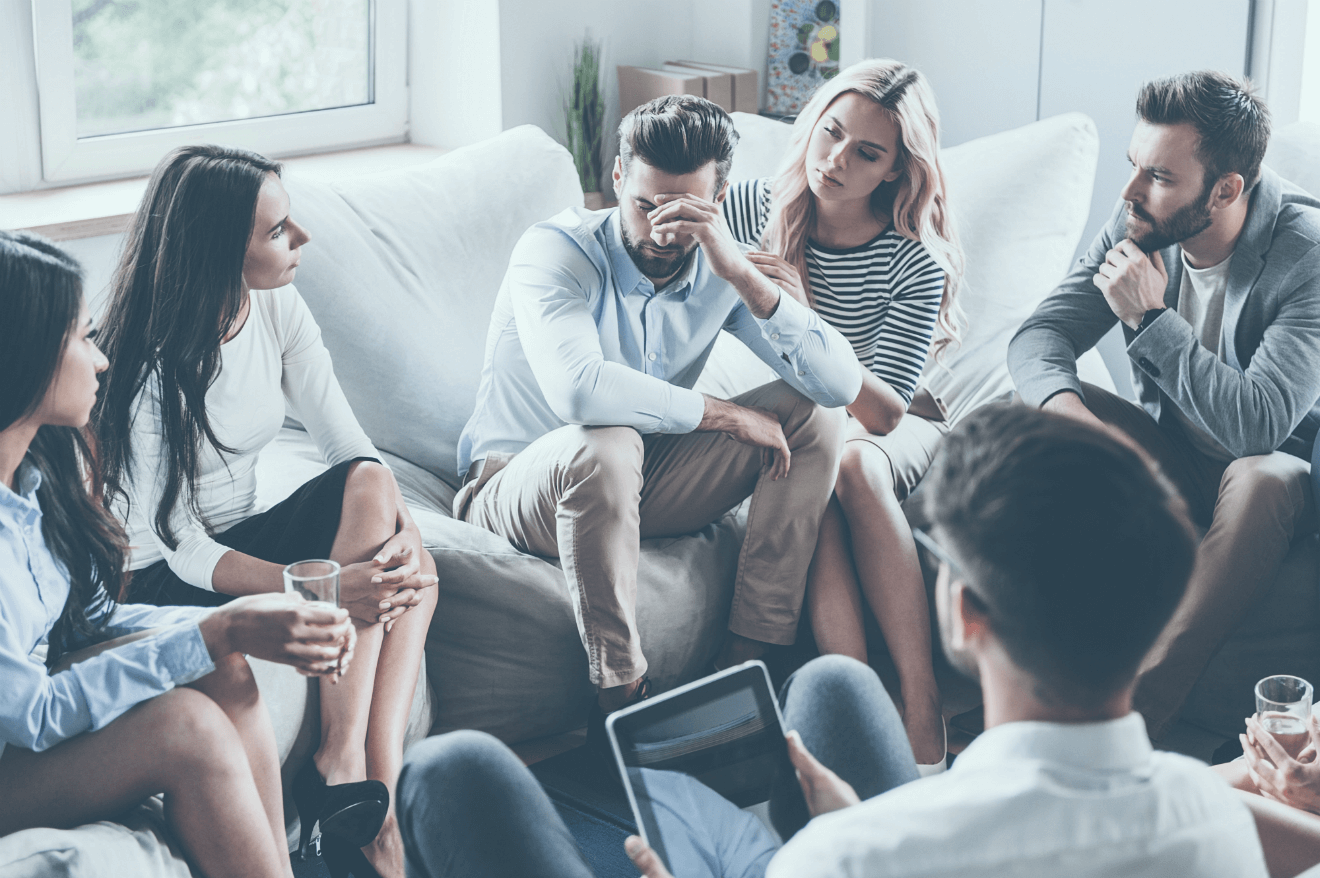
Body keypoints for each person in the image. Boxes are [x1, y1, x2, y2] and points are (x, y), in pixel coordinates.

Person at [394, 403, 1269, 877]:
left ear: (964, 614)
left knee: (450, 769)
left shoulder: (850, 859)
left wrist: (847, 847)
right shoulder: (1218, 829)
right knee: (836, 688)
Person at [91, 145, 438, 878]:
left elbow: (350, 448)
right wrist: (319, 590)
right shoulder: (151, 362)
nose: (301, 239)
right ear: (221, 249)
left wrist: (402, 535)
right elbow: (178, 542)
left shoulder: (275, 302)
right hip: (165, 573)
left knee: (404, 544)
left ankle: (367, 776)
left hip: (237, 532)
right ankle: (361, 797)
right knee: (401, 573)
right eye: (278, 231)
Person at [453, 95, 860, 714]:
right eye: (645, 205)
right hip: (516, 488)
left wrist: (750, 283)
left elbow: (841, 388)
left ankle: (744, 666)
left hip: (641, 480)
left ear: (717, 203)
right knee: (607, 440)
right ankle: (621, 699)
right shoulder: (555, 252)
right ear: (617, 179)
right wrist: (724, 413)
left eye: (683, 211)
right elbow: (580, 392)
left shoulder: (721, 268)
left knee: (815, 418)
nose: (661, 230)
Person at [0, 230, 357, 878]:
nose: (101, 359)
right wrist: (219, 628)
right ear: (24, 358)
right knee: (186, 727)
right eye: (81, 338)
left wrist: (232, 626)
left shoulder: (32, 482)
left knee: (223, 665)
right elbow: (32, 717)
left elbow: (87, 620)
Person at [1007, 70, 1320, 740]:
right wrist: (1086, 430)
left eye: (1158, 175)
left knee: (1264, 477)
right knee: (1030, 409)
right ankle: (1014, 681)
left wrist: (1152, 321)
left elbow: (1259, 426)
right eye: (1132, 166)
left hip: (1272, 482)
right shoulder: (1142, 221)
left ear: (1228, 189)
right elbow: (1040, 337)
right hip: (1171, 458)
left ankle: (1122, 725)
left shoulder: (1307, 255)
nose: (1129, 192)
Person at [721, 58, 962, 768]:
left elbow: (884, 410)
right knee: (818, 465)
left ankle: (921, 702)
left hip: (903, 420)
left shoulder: (914, 260)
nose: (837, 161)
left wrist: (797, 311)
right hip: (815, 424)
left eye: (868, 153)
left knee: (850, 458)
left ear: (896, 170)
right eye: (831, 134)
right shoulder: (750, 208)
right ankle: (855, 710)